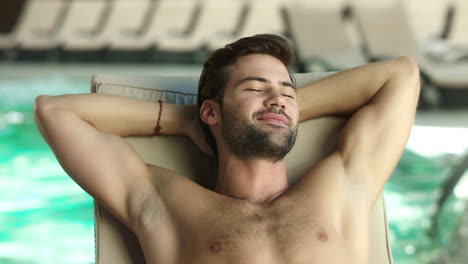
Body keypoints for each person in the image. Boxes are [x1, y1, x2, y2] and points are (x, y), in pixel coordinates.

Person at [33, 34, 420, 263]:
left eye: (287, 92)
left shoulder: (343, 185)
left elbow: (400, 75)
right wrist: (185, 120)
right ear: (211, 111)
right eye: (254, 87)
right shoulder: (168, 205)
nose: (277, 99)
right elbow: (55, 112)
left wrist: (275, 109)